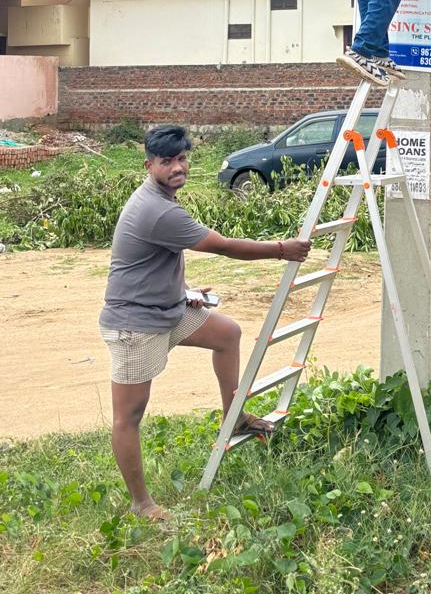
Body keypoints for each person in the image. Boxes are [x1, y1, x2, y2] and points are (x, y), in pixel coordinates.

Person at [99, 123, 311, 521]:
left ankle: (235, 417)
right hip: (135, 324)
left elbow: (152, 260)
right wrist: (282, 249)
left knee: (227, 333)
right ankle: (142, 504)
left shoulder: (161, 200)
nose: (177, 167)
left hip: (168, 308)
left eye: (182, 159)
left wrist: (184, 290)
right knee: (129, 416)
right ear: (149, 165)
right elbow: (223, 246)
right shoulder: (156, 209)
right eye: (167, 161)